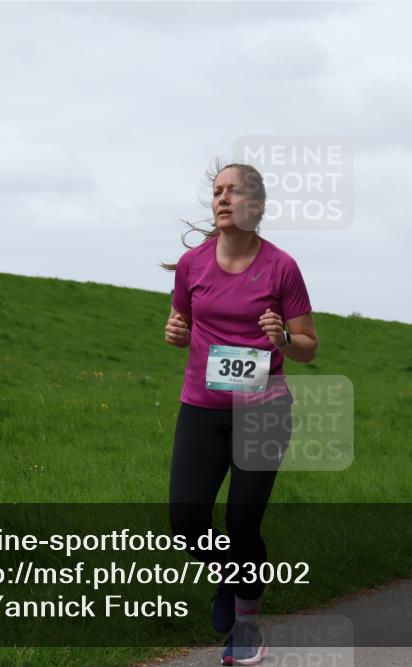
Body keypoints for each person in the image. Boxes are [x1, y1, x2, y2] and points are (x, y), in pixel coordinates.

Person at [161, 162, 318, 665]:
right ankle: (230, 579)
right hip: (201, 409)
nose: (222, 199)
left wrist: (283, 339)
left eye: (234, 192)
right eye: (216, 192)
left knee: (241, 524)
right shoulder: (193, 265)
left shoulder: (281, 268)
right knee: (186, 522)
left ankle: (247, 630)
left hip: (264, 411)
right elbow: (180, 320)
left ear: (257, 206)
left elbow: (309, 347)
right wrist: (176, 333)